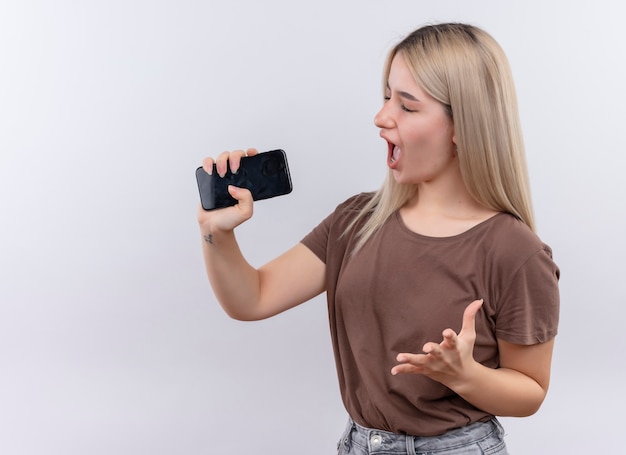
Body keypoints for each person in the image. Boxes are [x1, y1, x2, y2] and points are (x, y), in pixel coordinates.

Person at [197, 22, 560, 455]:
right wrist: (216, 234)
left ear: (463, 125)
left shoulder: (515, 252)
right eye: (387, 96)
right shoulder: (356, 221)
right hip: (358, 444)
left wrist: (465, 375)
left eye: (407, 106)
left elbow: (531, 390)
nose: (381, 116)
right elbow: (252, 298)